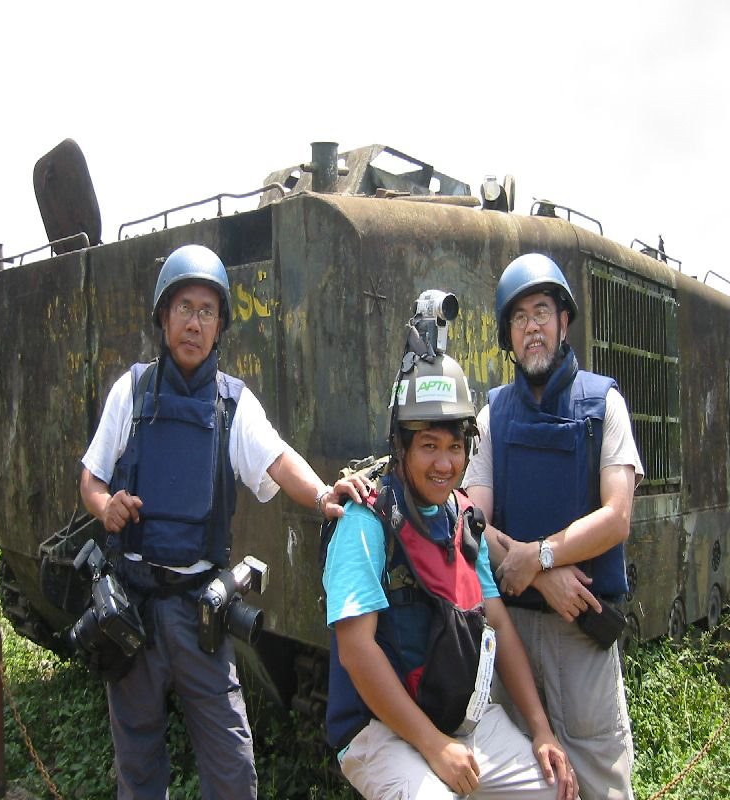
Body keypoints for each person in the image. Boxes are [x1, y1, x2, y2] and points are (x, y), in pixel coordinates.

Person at [80, 244, 355, 800]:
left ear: (220, 326)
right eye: (185, 307)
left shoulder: (233, 404)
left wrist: (324, 493)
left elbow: (279, 460)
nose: (195, 322)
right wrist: (104, 505)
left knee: (232, 769)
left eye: (208, 311)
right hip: (131, 606)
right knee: (137, 763)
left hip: (198, 612)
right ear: (164, 317)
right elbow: (91, 478)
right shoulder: (129, 392)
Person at [322, 318, 579, 799]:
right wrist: (434, 746)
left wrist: (541, 728)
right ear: (400, 447)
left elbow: (497, 624)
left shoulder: (462, 519)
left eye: (456, 447)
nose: (445, 464)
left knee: (552, 789)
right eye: (429, 446)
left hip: (458, 720)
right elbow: (357, 652)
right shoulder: (366, 520)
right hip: (379, 731)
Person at [463, 253, 643, 800]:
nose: (532, 328)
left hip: (580, 632)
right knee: (529, 779)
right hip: (513, 629)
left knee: (598, 773)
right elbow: (473, 521)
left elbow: (617, 518)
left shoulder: (603, 403)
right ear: (508, 337)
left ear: (564, 321)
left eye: (542, 311)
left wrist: (539, 556)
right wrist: (540, 574)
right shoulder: (493, 415)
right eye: (518, 319)